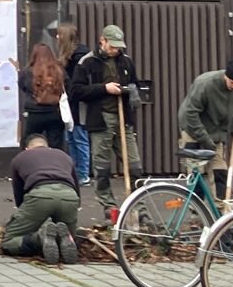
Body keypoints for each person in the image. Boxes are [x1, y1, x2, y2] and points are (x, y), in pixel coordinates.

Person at [68, 24, 141, 211]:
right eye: (112, 46)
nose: (115, 50)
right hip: (100, 118)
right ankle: (108, 206)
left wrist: (131, 92)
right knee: (102, 167)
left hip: (123, 118)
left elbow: (134, 84)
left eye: (118, 47)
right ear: (102, 40)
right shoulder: (87, 62)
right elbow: (75, 91)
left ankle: (138, 206)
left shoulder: (126, 61)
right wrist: (104, 88)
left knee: (134, 166)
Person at [0, 134, 82, 264]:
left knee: (8, 242)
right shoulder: (64, 155)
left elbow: (19, 194)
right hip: (69, 196)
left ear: (27, 148)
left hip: (39, 195)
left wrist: (27, 218)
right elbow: (76, 187)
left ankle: (40, 238)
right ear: (47, 146)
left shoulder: (20, 158)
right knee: (68, 233)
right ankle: (67, 239)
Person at [177, 59, 233, 186]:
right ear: (226, 76)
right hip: (193, 129)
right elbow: (191, 113)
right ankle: (194, 203)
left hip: (216, 132)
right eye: (232, 83)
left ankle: (219, 205)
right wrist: (205, 140)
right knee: (196, 172)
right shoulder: (205, 84)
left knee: (219, 171)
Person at [53, 20, 91, 184]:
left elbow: (76, 83)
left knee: (79, 137)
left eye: (59, 34)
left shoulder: (79, 57)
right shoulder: (73, 55)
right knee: (71, 137)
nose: (57, 37)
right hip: (69, 102)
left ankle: (82, 173)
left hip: (77, 103)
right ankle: (76, 171)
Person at [17, 42, 69, 153]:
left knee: (29, 142)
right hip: (55, 113)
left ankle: (30, 167)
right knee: (56, 146)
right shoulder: (59, 71)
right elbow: (67, 87)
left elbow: (22, 86)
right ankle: (55, 168)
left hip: (34, 113)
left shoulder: (27, 72)